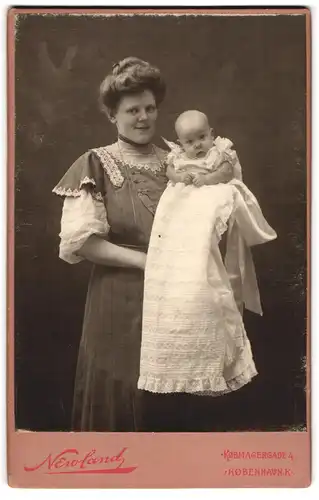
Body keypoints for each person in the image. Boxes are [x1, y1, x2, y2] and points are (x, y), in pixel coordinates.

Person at [53, 58, 233, 432]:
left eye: (150, 108)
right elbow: (84, 243)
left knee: (175, 410)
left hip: (180, 301)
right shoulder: (95, 164)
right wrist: (148, 262)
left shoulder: (181, 160)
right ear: (111, 115)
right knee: (124, 405)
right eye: (132, 110)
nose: (143, 117)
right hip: (118, 304)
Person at [138, 109, 277, 396]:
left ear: (211, 133)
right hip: (186, 199)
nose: (198, 145)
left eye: (202, 137)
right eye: (190, 141)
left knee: (204, 247)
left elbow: (226, 172)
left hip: (211, 190)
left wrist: (208, 178)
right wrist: (181, 176)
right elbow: (170, 171)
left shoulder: (218, 152)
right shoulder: (179, 156)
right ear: (180, 142)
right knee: (178, 226)